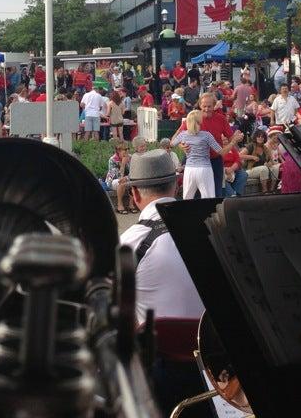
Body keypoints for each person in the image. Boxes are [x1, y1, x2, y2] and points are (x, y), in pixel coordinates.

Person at [119, 149, 205, 417]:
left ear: (134, 194)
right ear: (177, 184)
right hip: (217, 368)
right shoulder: (211, 226)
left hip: (160, 377)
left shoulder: (129, 243)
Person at [171, 110, 225, 199]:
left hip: (189, 169)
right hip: (204, 169)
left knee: (187, 198)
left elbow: (172, 143)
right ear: (199, 122)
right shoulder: (207, 135)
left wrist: (180, 128)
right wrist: (233, 142)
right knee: (208, 198)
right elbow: (220, 151)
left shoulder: (183, 134)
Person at [103, 139, 132, 213]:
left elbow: (133, 172)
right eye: (125, 150)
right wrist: (123, 164)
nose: (127, 151)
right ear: (118, 151)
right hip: (113, 180)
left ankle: (131, 204)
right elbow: (117, 176)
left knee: (135, 181)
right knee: (121, 182)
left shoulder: (130, 158)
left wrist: (127, 177)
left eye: (128, 149)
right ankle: (120, 204)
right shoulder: (112, 160)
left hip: (127, 179)